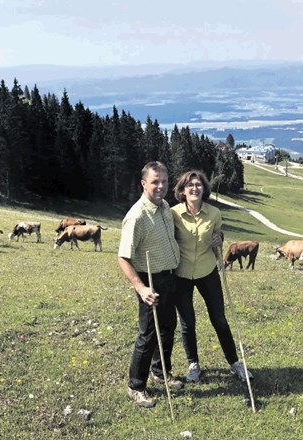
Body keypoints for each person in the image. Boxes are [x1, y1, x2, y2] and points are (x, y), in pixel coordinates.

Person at [170, 170, 253, 383]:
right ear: (182, 190)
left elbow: (219, 235)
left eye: (198, 185)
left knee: (219, 319)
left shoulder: (214, 213)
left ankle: (235, 363)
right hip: (181, 274)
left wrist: (220, 239)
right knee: (187, 323)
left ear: (204, 189)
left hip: (208, 272)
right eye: (190, 185)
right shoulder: (172, 214)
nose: (195, 188)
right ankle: (193, 364)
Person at [118, 161, 184, 408]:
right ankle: (135, 386)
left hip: (169, 276)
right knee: (148, 334)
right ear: (143, 183)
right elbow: (123, 257)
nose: (160, 186)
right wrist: (141, 288)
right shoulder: (136, 216)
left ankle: (161, 372)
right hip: (149, 280)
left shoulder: (166, 206)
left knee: (167, 327)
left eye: (164, 181)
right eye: (155, 181)